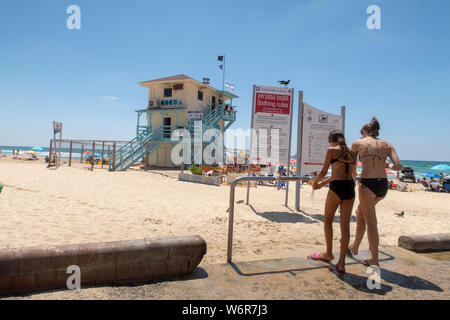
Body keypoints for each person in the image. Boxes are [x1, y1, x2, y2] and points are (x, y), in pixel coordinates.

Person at [348, 117, 402, 267]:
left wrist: (352, 179)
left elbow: (351, 164)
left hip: (367, 184)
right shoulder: (387, 145)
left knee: (371, 223)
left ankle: (375, 260)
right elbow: (398, 166)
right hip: (383, 185)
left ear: (365, 132)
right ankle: (355, 247)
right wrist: (387, 164)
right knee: (360, 214)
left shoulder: (358, 143)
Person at [309, 130, 357, 275]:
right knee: (345, 226)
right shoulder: (353, 152)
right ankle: (341, 263)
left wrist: (315, 182)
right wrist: (323, 184)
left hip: (336, 189)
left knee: (328, 220)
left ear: (332, 140)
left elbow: (324, 171)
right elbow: (348, 173)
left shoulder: (331, 151)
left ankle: (329, 253)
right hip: (350, 188)